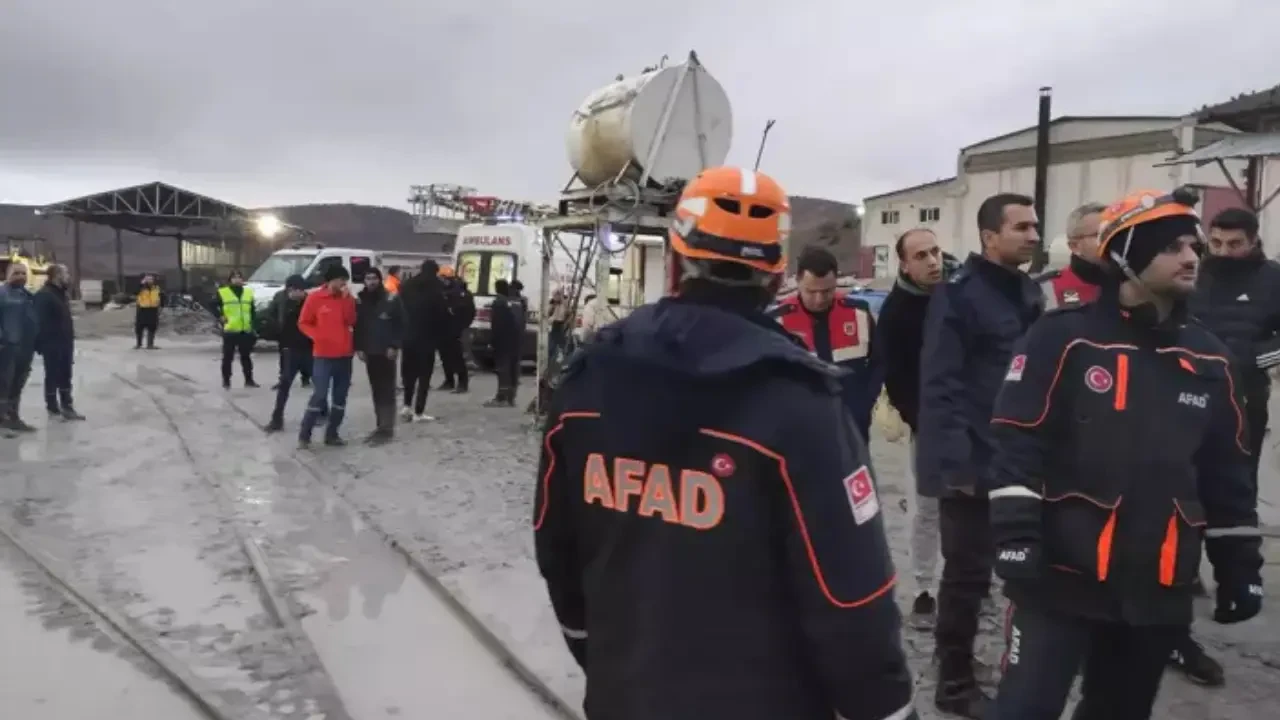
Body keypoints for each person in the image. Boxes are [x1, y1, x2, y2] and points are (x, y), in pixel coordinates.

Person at [533, 166, 918, 720]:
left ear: (676, 258)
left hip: (626, 692)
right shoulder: (801, 403)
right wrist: (889, 708)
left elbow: (557, 546)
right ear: (775, 275)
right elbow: (849, 592)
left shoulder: (587, 382)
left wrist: (598, 651)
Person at [986, 188, 1264, 719]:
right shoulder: (1062, 338)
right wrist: (1015, 537)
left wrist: (1238, 567)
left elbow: (1227, 474)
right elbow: (1017, 439)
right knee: (1025, 709)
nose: (1191, 257)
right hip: (1059, 578)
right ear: (1127, 257)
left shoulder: (1211, 357)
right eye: (1173, 247)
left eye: (1194, 246)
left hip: (1158, 586)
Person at [917, 192, 1043, 718]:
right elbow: (940, 384)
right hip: (972, 462)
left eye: (1035, 226)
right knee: (966, 578)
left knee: (1018, 568)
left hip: (1019, 459)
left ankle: (1015, 665)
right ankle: (953, 682)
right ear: (990, 237)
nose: (1034, 235)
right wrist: (956, 466)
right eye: (1022, 227)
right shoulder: (959, 296)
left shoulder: (1029, 293)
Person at [874, 227, 959, 629]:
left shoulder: (960, 291)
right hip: (928, 424)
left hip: (973, 418)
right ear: (905, 265)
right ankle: (925, 587)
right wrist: (924, 421)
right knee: (927, 507)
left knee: (974, 505)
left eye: (935, 251)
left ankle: (968, 580)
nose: (932, 261)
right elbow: (896, 378)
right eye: (921, 256)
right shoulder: (896, 313)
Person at [770, 246, 882, 442]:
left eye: (827, 291)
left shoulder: (859, 314)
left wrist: (866, 401)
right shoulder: (778, 321)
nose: (819, 299)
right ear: (797, 281)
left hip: (852, 425)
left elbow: (880, 363)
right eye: (811, 291)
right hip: (799, 429)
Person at [296, 264, 358, 448]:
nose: (343, 284)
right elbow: (303, 322)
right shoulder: (315, 298)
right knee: (320, 394)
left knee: (340, 397)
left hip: (344, 355)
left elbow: (351, 320)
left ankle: (332, 434)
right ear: (331, 280)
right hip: (323, 356)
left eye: (345, 281)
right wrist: (317, 336)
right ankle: (304, 435)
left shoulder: (347, 299)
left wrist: (347, 301)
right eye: (341, 280)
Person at [264, 275, 323, 432]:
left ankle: (323, 412)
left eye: (300, 290)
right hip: (290, 349)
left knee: (319, 382)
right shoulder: (282, 300)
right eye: (294, 289)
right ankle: (277, 418)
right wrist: (277, 334)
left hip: (309, 349)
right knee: (284, 384)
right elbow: (272, 317)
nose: (298, 293)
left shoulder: (310, 302)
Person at [355, 267, 405, 445]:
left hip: (386, 352)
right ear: (364, 281)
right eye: (368, 278)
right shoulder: (360, 300)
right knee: (376, 389)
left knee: (387, 390)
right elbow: (358, 326)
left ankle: (387, 428)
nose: (371, 282)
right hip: (370, 351)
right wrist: (359, 347)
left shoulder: (391, 299)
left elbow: (401, 324)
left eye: (374, 278)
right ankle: (380, 426)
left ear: (380, 279)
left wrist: (394, 345)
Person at [399, 259, 449, 421]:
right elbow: (442, 314)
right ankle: (419, 412)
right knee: (424, 375)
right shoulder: (436, 288)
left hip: (408, 336)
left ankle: (406, 405)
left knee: (408, 373)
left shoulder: (406, 285)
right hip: (427, 337)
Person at [33, 264, 84, 421]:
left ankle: (67, 406)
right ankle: (52, 408)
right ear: (57, 276)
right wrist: (41, 343)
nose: (68, 277)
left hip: (65, 342)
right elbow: (39, 321)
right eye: (66, 274)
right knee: (52, 375)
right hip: (52, 343)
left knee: (65, 375)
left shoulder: (61, 294)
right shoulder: (44, 295)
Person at [1035, 203, 1108, 309]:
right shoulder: (1045, 288)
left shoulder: (1128, 285)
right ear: (1074, 246)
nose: (1108, 239)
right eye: (1099, 235)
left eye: (1112, 233)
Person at [0, 262, 39, 435]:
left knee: (18, 383)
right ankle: (2, 420)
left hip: (26, 346)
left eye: (24, 273)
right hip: (7, 346)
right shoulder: (2, 294)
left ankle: (13, 416)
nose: (21, 276)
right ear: (8, 275)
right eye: (16, 273)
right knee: (4, 384)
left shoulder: (28, 296)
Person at [211, 270, 258, 388]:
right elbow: (211, 305)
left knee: (246, 357)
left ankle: (249, 380)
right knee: (228, 357)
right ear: (230, 280)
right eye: (234, 277)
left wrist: (253, 324)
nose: (237, 279)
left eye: (239, 277)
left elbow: (252, 310)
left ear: (242, 279)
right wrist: (220, 316)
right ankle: (226, 380)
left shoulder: (248, 292)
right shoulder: (223, 292)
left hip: (245, 330)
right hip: (230, 329)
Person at [436, 265, 475, 393]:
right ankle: (449, 381)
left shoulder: (460, 294)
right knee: (445, 357)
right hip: (444, 330)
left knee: (456, 357)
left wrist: (460, 328)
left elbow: (469, 313)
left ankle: (462, 383)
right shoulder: (443, 292)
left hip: (454, 331)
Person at [485, 278, 521, 407]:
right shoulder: (518, 302)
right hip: (516, 340)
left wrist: (492, 341)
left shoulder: (499, 302)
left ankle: (502, 397)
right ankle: (511, 397)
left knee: (502, 369)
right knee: (512, 369)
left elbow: (496, 324)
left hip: (502, 341)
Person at [135, 273, 161, 349]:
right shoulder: (141, 288)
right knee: (139, 327)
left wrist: (161, 306)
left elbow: (161, 297)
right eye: (148, 279)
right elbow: (135, 292)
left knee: (152, 327)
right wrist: (141, 284)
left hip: (153, 309)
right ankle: (138, 344)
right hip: (142, 309)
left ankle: (150, 344)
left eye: (151, 279)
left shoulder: (156, 288)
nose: (150, 280)